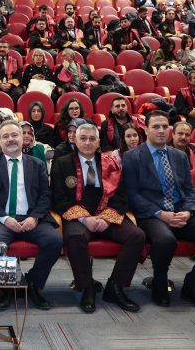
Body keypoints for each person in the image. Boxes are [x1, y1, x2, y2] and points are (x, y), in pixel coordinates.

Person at [122, 110, 195, 313]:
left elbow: (189, 190)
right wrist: (161, 214)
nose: (161, 131)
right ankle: (160, 283)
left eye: (165, 126)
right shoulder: (132, 156)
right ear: (146, 130)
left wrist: (188, 211)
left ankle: (193, 287)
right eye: (156, 127)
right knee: (166, 240)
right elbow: (132, 195)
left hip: (181, 212)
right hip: (152, 214)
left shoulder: (179, 156)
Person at [51, 123, 145, 314]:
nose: (87, 142)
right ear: (75, 140)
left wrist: (107, 218)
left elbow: (121, 196)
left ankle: (115, 286)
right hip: (79, 217)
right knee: (75, 238)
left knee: (137, 236)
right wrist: (85, 219)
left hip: (106, 214)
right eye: (83, 138)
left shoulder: (111, 163)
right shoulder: (62, 163)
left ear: (98, 142)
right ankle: (87, 287)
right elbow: (58, 198)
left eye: (92, 139)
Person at [0, 120, 63, 310]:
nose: (10, 139)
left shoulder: (37, 164)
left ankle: (32, 283)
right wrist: (4, 218)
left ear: (22, 138)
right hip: (1, 219)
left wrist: (34, 217)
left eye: (14, 135)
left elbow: (45, 195)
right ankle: (7, 287)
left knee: (54, 241)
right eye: (5, 136)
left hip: (32, 218)